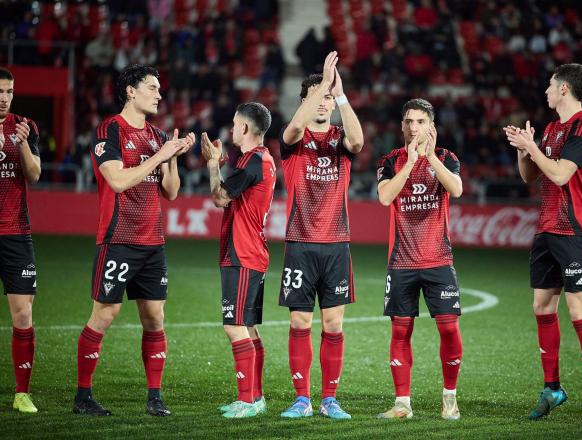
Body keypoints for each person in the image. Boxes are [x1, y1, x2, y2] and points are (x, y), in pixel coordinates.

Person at [73, 65, 194, 416]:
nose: (159, 94)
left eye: (160, 89)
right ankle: (83, 396)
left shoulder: (157, 135)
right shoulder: (110, 129)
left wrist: (170, 160)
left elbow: (171, 193)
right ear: (130, 90)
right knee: (105, 314)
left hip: (152, 242)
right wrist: (160, 155)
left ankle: (155, 396)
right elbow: (117, 181)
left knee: (155, 319)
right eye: (152, 87)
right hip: (118, 239)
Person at [504, 63, 582, 427]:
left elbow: (562, 173)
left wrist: (533, 146)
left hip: (575, 231)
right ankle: (553, 388)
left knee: (580, 312)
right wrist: (523, 150)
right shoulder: (550, 128)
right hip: (547, 228)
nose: (546, 90)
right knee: (541, 306)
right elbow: (531, 175)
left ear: (564, 89)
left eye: (550, 84)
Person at [278, 51, 364, 419]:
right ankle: (302, 398)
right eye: (318, 96)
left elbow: (359, 143)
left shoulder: (341, 138)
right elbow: (292, 130)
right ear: (305, 101)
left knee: (333, 324)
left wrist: (340, 94)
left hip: (336, 246)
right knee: (300, 322)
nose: (324, 101)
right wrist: (320, 88)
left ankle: (329, 399)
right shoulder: (293, 140)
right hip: (299, 243)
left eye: (328, 97)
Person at [375, 99, 464, 420]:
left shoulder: (447, 158)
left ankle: (450, 398)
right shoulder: (390, 161)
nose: (414, 127)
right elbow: (385, 197)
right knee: (400, 332)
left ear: (431, 127)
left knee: (450, 331)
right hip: (401, 263)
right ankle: (402, 403)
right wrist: (412, 163)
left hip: (439, 261)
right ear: (401, 126)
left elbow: (455, 189)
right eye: (409, 121)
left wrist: (429, 160)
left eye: (421, 121)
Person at [200, 102, 275, 419]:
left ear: (245, 128)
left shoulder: (254, 162)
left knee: (235, 327)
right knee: (249, 328)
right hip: (251, 252)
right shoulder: (256, 160)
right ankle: (254, 398)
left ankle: (247, 400)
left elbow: (219, 197)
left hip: (243, 254)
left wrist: (213, 165)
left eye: (234, 124)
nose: (231, 129)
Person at [0, 66, 41, 413]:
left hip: (16, 233)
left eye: (9, 91)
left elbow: (34, 174)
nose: (4, 98)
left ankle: (21, 392)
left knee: (23, 314)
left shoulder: (24, 125)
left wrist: (23, 143)